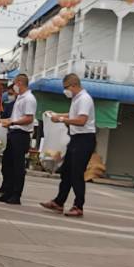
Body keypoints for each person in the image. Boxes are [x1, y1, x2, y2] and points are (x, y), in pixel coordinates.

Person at [40, 73, 97, 218]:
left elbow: (81, 120)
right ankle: (59, 202)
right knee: (66, 172)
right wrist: (59, 114)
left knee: (77, 173)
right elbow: (73, 114)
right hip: (76, 139)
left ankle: (78, 206)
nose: (65, 91)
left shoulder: (84, 99)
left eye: (66, 88)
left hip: (84, 139)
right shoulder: (77, 99)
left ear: (73, 85)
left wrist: (60, 120)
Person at [0, 74, 37, 205]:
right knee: (8, 164)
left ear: (19, 83)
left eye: (14, 83)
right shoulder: (20, 98)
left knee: (18, 167)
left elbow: (29, 118)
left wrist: (12, 123)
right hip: (13, 133)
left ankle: (16, 195)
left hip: (21, 134)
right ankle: (7, 192)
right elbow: (16, 117)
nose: (13, 86)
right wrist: (3, 121)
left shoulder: (29, 99)